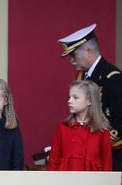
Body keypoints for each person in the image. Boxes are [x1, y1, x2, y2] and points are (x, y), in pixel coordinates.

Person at [58, 23, 122, 170]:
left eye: (74, 55)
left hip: (110, 157)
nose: (71, 60)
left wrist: (95, 144)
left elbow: (119, 122)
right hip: (85, 155)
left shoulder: (113, 78)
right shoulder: (81, 77)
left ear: (88, 50)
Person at [47, 80, 112, 171]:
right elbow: (53, 161)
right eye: (69, 97)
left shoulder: (102, 130)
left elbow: (107, 163)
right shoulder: (62, 127)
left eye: (75, 97)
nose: (69, 101)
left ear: (89, 101)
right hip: (66, 179)